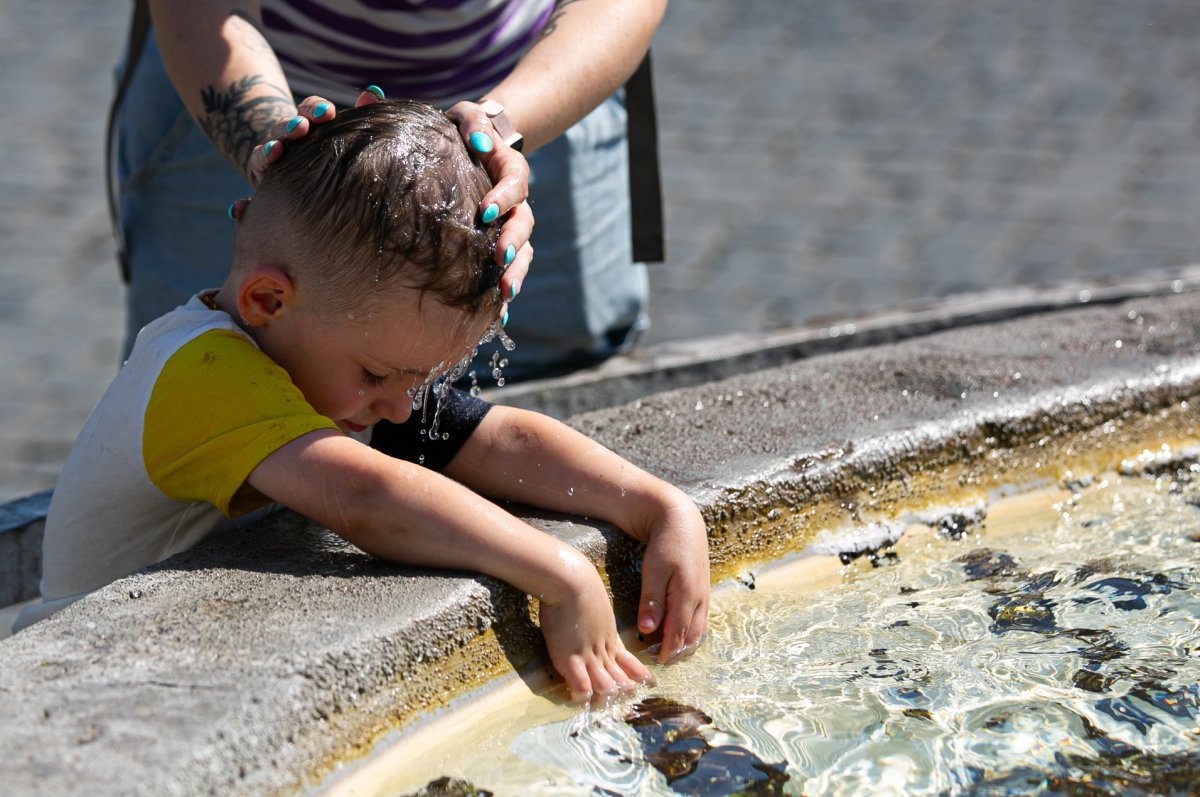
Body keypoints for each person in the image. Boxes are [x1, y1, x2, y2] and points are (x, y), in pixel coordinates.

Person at [23, 101, 708, 700]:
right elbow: (371, 501)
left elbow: (495, 440)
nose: (404, 408)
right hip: (80, 677)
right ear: (267, 299)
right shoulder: (204, 371)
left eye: (418, 378)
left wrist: (658, 505)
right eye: (382, 374)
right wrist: (561, 573)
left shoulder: (318, 356)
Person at [114, 0, 667, 382]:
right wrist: (287, 167)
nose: (396, 412)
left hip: (543, 78)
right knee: (210, 385)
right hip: (244, 81)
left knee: (552, 386)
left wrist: (499, 134)